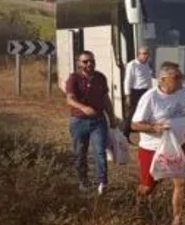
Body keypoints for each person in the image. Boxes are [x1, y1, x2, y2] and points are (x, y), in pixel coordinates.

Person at [130, 61, 185, 225]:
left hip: (177, 146)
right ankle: (137, 211)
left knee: (181, 183)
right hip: (153, 148)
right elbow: (135, 125)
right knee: (148, 187)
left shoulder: (182, 91)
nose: (181, 80)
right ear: (164, 79)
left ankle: (177, 224)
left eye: (181, 76)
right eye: (177, 77)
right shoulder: (150, 97)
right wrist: (154, 128)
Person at [65, 50, 115, 194]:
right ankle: (83, 181)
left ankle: (102, 182)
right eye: (85, 61)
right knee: (80, 152)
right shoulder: (74, 79)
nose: (89, 64)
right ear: (79, 63)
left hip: (98, 121)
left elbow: (106, 99)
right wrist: (83, 108)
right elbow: (69, 99)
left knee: (100, 151)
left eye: (91, 61)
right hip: (79, 121)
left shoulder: (100, 77)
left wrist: (111, 117)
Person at [123, 46, 154, 138]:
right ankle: (125, 134)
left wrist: (151, 91)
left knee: (146, 112)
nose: (146, 56)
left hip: (146, 91)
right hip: (136, 91)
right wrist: (128, 95)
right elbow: (128, 80)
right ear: (138, 55)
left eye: (147, 54)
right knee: (132, 113)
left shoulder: (147, 64)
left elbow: (148, 79)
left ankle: (145, 133)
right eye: (144, 54)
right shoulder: (132, 65)